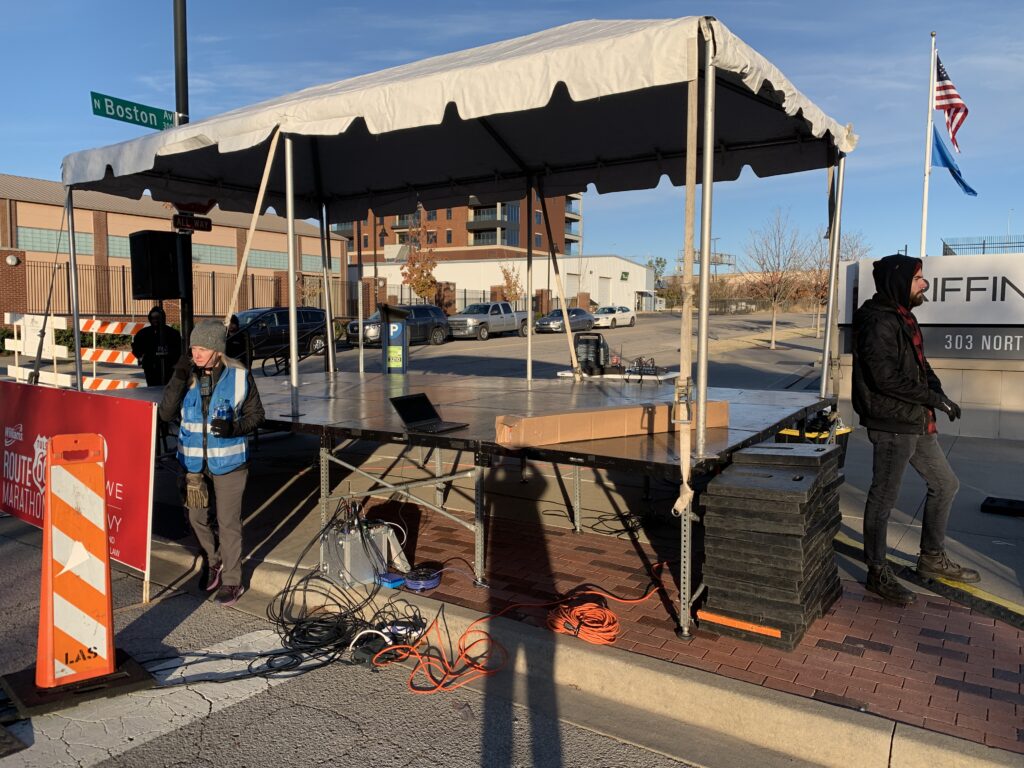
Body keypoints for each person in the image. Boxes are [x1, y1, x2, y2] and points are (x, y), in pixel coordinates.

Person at [851, 254, 979, 605]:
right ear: (898, 281)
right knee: (883, 499)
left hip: (914, 417)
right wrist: (933, 399)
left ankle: (931, 559)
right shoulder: (878, 322)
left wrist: (937, 393)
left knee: (945, 484)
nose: (924, 284)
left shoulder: (902, 317)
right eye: (918, 278)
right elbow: (885, 378)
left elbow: (921, 365)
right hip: (893, 422)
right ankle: (877, 572)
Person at [159, 318, 265, 607]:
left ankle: (232, 581)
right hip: (193, 465)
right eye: (193, 347)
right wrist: (179, 377)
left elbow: (257, 415)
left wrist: (235, 428)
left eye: (203, 348)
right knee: (196, 518)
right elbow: (166, 414)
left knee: (228, 523)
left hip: (229, 463)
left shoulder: (240, 375)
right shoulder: (187, 374)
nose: (196, 354)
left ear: (218, 349)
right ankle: (214, 560)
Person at [132, 306, 183, 386]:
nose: (155, 320)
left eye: (158, 318)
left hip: (168, 369)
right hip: (151, 369)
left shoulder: (172, 333)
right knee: (152, 390)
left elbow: (179, 349)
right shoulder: (143, 333)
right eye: (153, 318)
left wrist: (175, 363)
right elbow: (136, 347)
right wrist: (141, 357)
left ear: (163, 318)